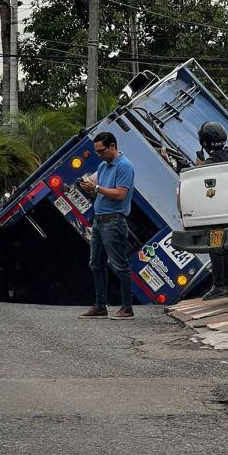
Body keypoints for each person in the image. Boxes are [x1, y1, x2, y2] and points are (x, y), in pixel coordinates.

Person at [78, 132, 136, 320]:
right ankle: (100, 305)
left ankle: (127, 307)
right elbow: (96, 184)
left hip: (114, 221)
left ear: (112, 146)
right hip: (100, 220)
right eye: (96, 152)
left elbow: (120, 194)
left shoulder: (124, 166)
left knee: (120, 265)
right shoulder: (104, 166)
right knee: (96, 263)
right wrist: (88, 185)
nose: (99, 155)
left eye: (101, 151)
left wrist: (95, 189)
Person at [196, 123, 228, 300]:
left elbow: (202, 184)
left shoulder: (210, 163)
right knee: (224, 249)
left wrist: (199, 167)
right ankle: (224, 282)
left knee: (215, 247)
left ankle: (219, 285)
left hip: (217, 213)